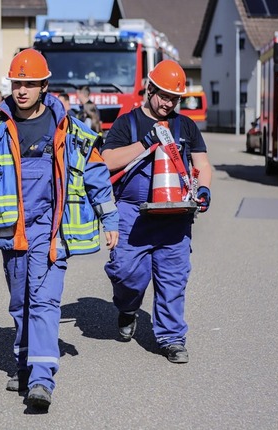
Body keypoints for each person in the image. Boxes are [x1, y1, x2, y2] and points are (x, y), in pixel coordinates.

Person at [0, 49, 118, 410]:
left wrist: (110, 220)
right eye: (17, 83)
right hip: (11, 231)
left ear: (44, 86)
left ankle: (42, 380)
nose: (22, 90)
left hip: (51, 230)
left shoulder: (69, 130)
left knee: (44, 302)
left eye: (29, 84)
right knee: (20, 303)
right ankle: (25, 365)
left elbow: (96, 174)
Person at [100, 60, 212, 364]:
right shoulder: (128, 123)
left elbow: (201, 164)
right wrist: (144, 143)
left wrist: (203, 188)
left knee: (173, 278)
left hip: (175, 216)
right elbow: (107, 161)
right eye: (163, 96)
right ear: (150, 89)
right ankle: (127, 307)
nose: (168, 104)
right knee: (125, 273)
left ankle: (172, 337)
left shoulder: (185, 126)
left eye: (174, 99)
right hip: (132, 213)